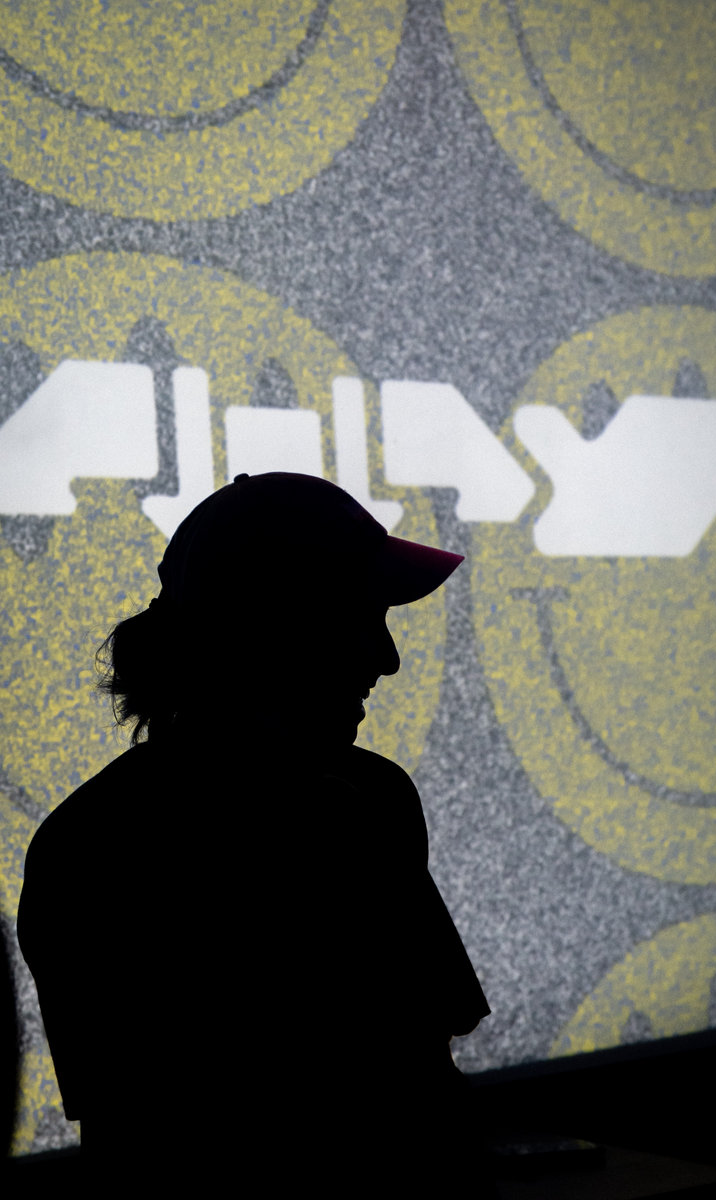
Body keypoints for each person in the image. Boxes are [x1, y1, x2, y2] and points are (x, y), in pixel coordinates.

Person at [17, 472, 491, 1194]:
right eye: (357, 616)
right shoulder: (364, 803)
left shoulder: (85, 843)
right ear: (272, 630)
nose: (386, 657)